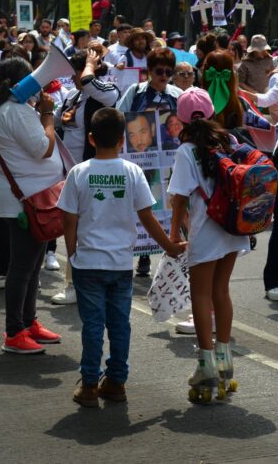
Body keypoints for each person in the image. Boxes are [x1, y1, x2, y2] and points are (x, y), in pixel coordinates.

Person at [58, 107, 186, 406]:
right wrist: (168, 245)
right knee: (119, 325)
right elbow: (148, 217)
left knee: (92, 326)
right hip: (119, 264)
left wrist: (72, 250)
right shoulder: (132, 172)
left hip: (87, 263)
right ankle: (116, 381)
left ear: (90, 138)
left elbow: (69, 219)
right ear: (121, 141)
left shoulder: (79, 173)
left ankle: (89, 384)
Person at [168, 88, 249, 402]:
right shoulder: (229, 141)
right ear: (212, 112)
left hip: (206, 228)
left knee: (200, 294)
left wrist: (174, 234)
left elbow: (179, 198)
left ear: (182, 118)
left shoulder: (186, 150)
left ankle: (205, 365)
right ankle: (225, 358)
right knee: (221, 291)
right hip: (233, 226)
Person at [0, 57, 63, 353]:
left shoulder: (14, 109)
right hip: (24, 201)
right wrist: (47, 116)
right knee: (22, 268)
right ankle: (14, 331)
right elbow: (43, 148)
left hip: (33, 198)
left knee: (32, 268)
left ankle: (28, 322)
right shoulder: (14, 112)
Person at [52, 49, 120, 305]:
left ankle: (90, 283)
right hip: (72, 174)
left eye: (74, 71)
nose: (71, 78)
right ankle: (72, 284)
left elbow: (91, 82)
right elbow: (57, 121)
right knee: (72, 228)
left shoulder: (106, 91)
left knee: (92, 230)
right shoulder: (73, 96)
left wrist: (90, 65)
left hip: (97, 173)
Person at [117, 47, 182, 276]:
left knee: (171, 204)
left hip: (171, 161)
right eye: (159, 70)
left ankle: (175, 252)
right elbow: (118, 114)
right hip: (139, 159)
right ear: (149, 71)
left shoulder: (176, 94)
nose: (163, 75)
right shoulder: (135, 92)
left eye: (168, 71)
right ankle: (142, 254)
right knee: (143, 205)